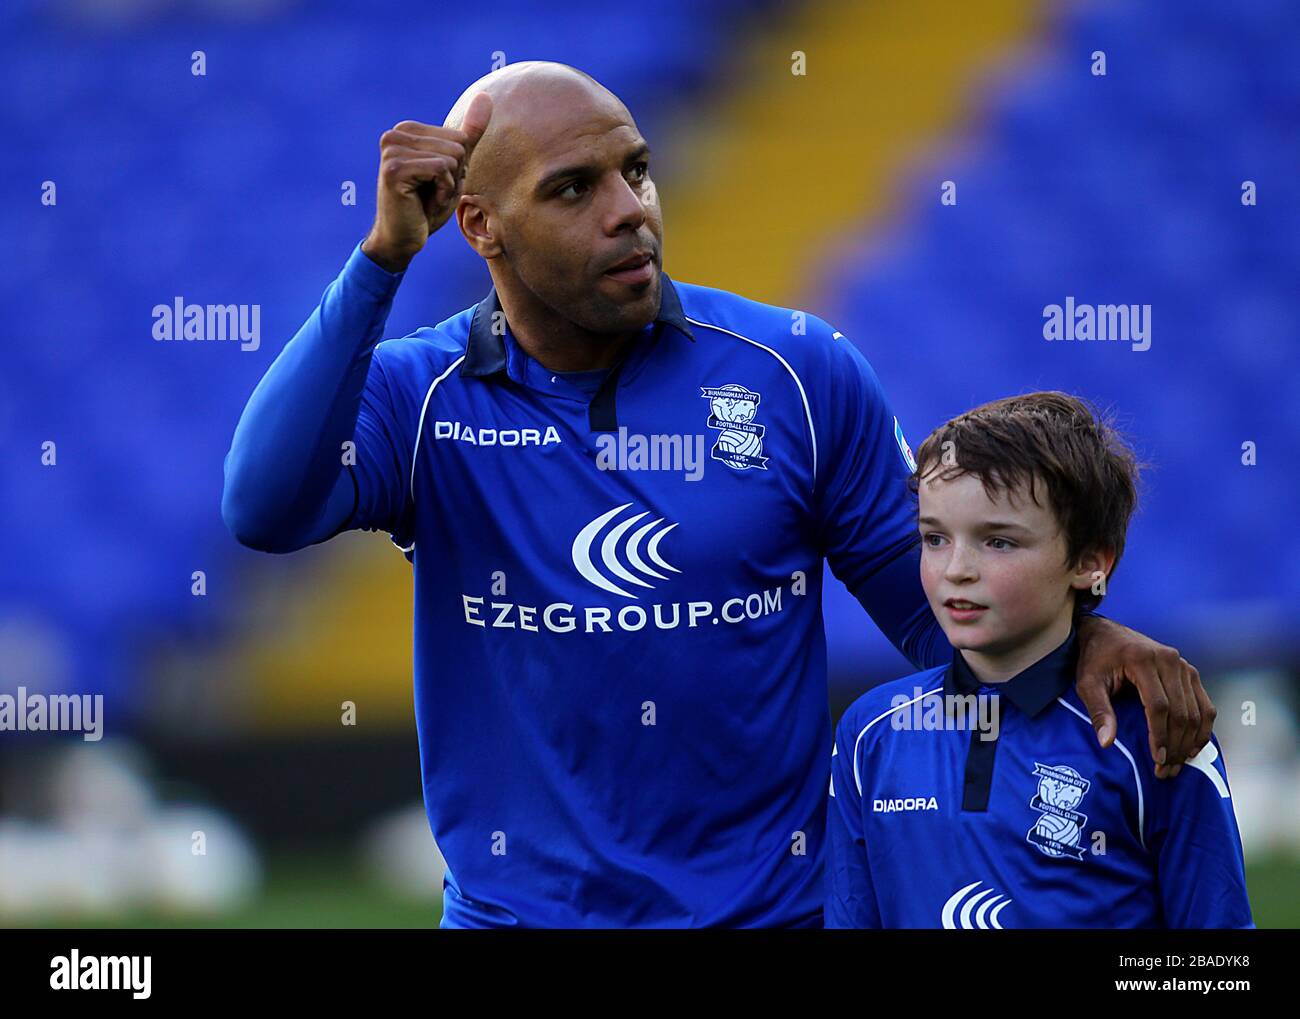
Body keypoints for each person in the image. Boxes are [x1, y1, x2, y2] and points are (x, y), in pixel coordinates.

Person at [222, 61, 1214, 927]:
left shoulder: (797, 372)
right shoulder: (423, 395)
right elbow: (265, 507)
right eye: (574, 188)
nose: (630, 210)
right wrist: (381, 260)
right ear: (480, 226)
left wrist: (1084, 638)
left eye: (637, 170)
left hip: (773, 916)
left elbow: (938, 619)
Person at [826, 392, 1252, 928]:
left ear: (1090, 561)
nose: (956, 568)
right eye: (934, 538)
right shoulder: (870, 734)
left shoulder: (1154, 731)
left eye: (998, 542)